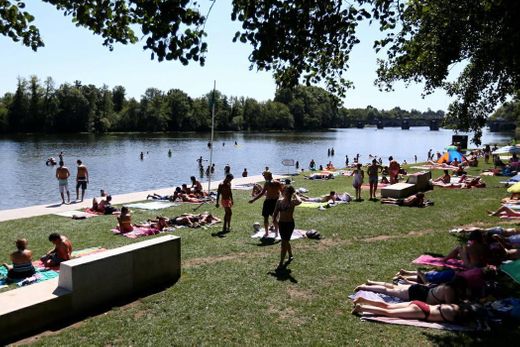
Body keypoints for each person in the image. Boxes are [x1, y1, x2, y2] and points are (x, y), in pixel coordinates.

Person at [351, 297, 464, 323]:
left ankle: (364, 300)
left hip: (420, 304)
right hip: (423, 312)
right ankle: (361, 308)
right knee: (388, 313)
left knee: (387, 306)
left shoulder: (453, 305)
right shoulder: (453, 316)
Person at [354, 278, 465, 305]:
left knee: (392, 287)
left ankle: (371, 282)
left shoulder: (446, 285)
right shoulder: (449, 290)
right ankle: (365, 287)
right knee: (389, 291)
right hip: (420, 294)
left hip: (422, 290)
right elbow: (450, 305)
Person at [273, 185, 302, 270]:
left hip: (289, 224)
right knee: (285, 241)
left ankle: (281, 263)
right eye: (285, 191)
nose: (285, 193)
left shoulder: (292, 202)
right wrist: (274, 219)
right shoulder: (279, 201)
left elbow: (300, 201)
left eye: (287, 192)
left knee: (283, 243)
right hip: (281, 223)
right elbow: (275, 211)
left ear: (290, 193)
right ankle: (290, 255)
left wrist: (295, 194)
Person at [249, 171, 283, 238]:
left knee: (266, 218)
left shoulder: (267, 183)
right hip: (275, 202)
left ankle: (267, 233)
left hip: (268, 202)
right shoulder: (278, 183)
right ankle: (276, 233)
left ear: (267, 176)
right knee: (274, 218)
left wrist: (253, 200)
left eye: (264, 176)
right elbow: (282, 192)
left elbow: (262, 193)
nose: (264, 177)